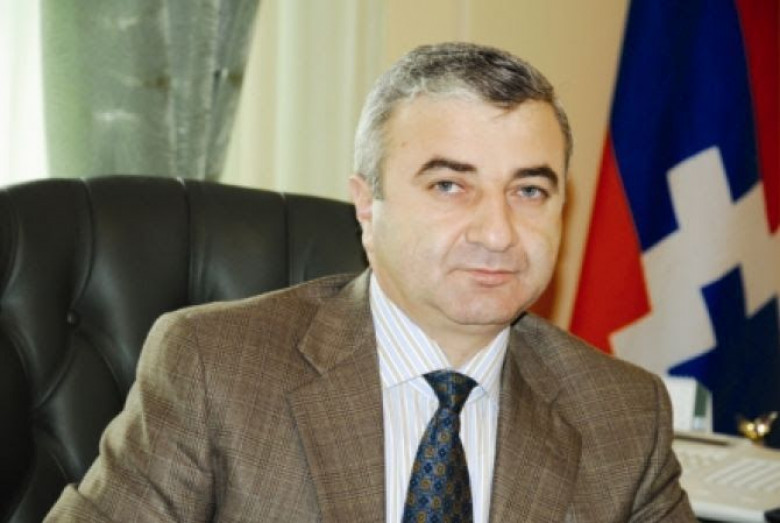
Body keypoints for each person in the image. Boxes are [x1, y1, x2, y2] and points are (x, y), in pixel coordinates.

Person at [46, 42, 696, 522]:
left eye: (528, 190)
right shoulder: (214, 367)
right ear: (366, 205)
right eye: (450, 185)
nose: (498, 233)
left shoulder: (622, 413)